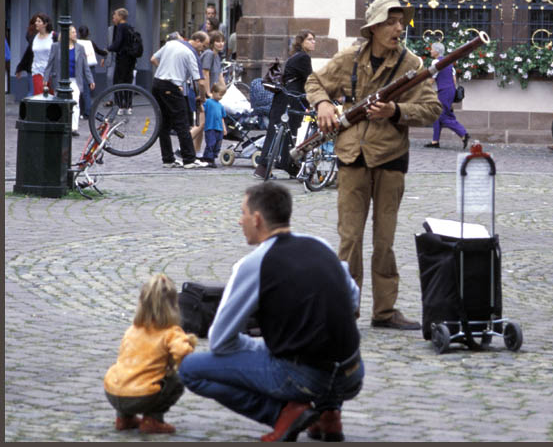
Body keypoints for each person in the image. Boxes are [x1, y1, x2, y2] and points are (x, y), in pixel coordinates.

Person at [178, 181, 364, 442]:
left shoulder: (254, 264)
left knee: (188, 369)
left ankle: (281, 415)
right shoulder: (320, 245)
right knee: (314, 345)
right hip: (352, 373)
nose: (239, 221)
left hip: (304, 376)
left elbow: (221, 341)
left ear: (257, 219)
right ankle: (329, 414)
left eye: (242, 213)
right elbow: (352, 299)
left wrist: (261, 347)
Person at [305, 0, 442, 329]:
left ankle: (384, 311)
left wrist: (396, 111)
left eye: (401, 22)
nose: (399, 28)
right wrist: (323, 104)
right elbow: (315, 82)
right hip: (352, 156)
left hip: (390, 158)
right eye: (392, 22)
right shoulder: (350, 57)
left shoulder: (411, 64)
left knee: (384, 241)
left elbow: (432, 109)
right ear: (375, 27)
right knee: (349, 239)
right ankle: (345, 309)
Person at [104, 273, 197, 434]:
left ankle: (124, 418)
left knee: (128, 372)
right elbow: (183, 353)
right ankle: (153, 420)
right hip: (142, 396)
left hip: (112, 392)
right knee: (176, 381)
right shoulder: (170, 332)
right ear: (174, 305)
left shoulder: (133, 330)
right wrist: (188, 343)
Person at [252, 29, 316, 179]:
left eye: (314, 39)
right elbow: (311, 79)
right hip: (291, 99)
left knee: (281, 132)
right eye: (310, 39)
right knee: (284, 133)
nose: (314, 42)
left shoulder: (296, 56)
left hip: (285, 97)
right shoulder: (303, 58)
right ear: (301, 42)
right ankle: (279, 165)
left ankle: (281, 166)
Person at [150, 31, 209, 168]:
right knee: (182, 122)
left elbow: (152, 59)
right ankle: (189, 159)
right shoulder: (191, 53)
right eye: (204, 46)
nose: (203, 49)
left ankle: (168, 159)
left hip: (157, 83)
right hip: (172, 87)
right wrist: (202, 97)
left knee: (164, 123)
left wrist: (166, 71)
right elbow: (200, 82)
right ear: (197, 41)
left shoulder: (171, 43)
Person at [44, 25, 94, 136]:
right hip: (60, 80)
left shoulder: (80, 48)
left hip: (75, 80)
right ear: (66, 34)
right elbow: (50, 63)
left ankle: (73, 128)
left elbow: (85, 66)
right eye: (73, 32)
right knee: (60, 104)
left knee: (75, 102)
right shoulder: (56, 47)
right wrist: (45, 78)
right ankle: (59, 126)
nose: (75, 34)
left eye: (75, 32)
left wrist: (90, 80)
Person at [423, 41, 470, 149]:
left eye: (432, 49)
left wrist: (423, 88)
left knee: (442, 116)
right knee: (439, 114)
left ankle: (463, 134)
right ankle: (435, 141)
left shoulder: (436, 62)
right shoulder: (449, 62)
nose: (430, 51)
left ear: (437, 51)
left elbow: (432, 79)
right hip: (450, 90)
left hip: (444, 91)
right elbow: (454, 79)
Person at [15, 12, 56, 96]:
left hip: (51, 72)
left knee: (51, 97)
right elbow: (28, 53)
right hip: (37, 71)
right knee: (39, 96)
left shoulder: (53, 36)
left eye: (39, 21)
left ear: (45, 24)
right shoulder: (34, 37)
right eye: (36, 21)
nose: (36, 23)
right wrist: (20, 68)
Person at [107, 8, 136, 114]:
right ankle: (129, 105)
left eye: (114, 16)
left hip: (122, 59)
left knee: (117, 81)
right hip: (131, 59)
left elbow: (118, 42)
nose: (113, 18)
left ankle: (120, 106)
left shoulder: (120, 27)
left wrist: (108, 49)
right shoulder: (130, 27)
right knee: (128, 81)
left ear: (120, 16)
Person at [76, 25, 106, 119]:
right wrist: (107, 52)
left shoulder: (77, 43)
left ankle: (86, 111)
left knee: (82, 91)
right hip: (91, 67)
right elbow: (99, 51)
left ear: (79, 33)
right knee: (88, 90)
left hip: (81, 68)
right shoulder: (90, 42)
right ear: (88, 33)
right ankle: (87, 111)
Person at [201, 83, 228, 168]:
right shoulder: (208, 102)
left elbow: (222, 118)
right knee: (211, 143)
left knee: (217, 145)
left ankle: (210, 157)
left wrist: (224, 128)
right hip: (210, 127)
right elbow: (202, 109)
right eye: (220, 95)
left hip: (219, 128)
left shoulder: (221, 106)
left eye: (222, 95)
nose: (221, 97)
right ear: (213, 92)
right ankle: (209, 159)